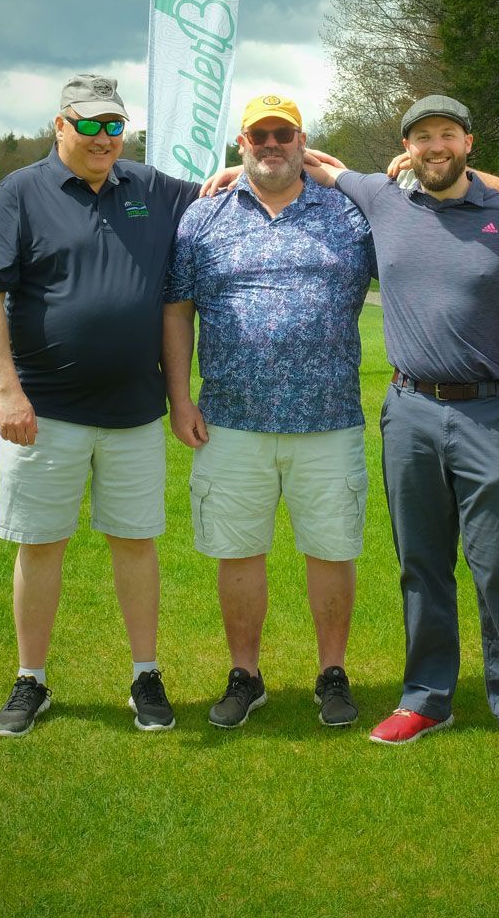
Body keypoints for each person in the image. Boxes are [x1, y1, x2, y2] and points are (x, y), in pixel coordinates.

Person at [301, 95, 499, 760]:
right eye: (421, 138)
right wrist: (230, 176)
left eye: (446, 136)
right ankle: (426, 698)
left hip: (490, 412)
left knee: (498, 563)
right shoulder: (383, 200)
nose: (434, 147)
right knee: (421, 563)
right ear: (405, 148)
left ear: (468, 142)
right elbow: (314, 164)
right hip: (409, 411)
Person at [0, 73, 200, 738]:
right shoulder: (20, 192)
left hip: (134, 412)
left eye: (114, 125)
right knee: (40, 546)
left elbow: (230, 192)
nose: (104, 138)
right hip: (47, 412)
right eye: (91, 124)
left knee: (136, 543)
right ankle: (30, 680)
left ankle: (145, 676)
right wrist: (7, 392)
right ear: (60, 124)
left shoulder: (150, 188)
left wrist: (318, 169)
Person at [161, 95, 375, 729]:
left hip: (329, 417)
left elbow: (442, 188)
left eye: (285, 133)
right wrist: (180, 397)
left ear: (303, 140)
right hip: (230, 419)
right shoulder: (203, 219)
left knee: (332, 550)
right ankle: (245, 674)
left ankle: (331, 673)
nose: (273, 144)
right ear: (242, 142)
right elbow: (177, 310)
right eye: (261, 134)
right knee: (239, 551)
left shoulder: (350, 212)